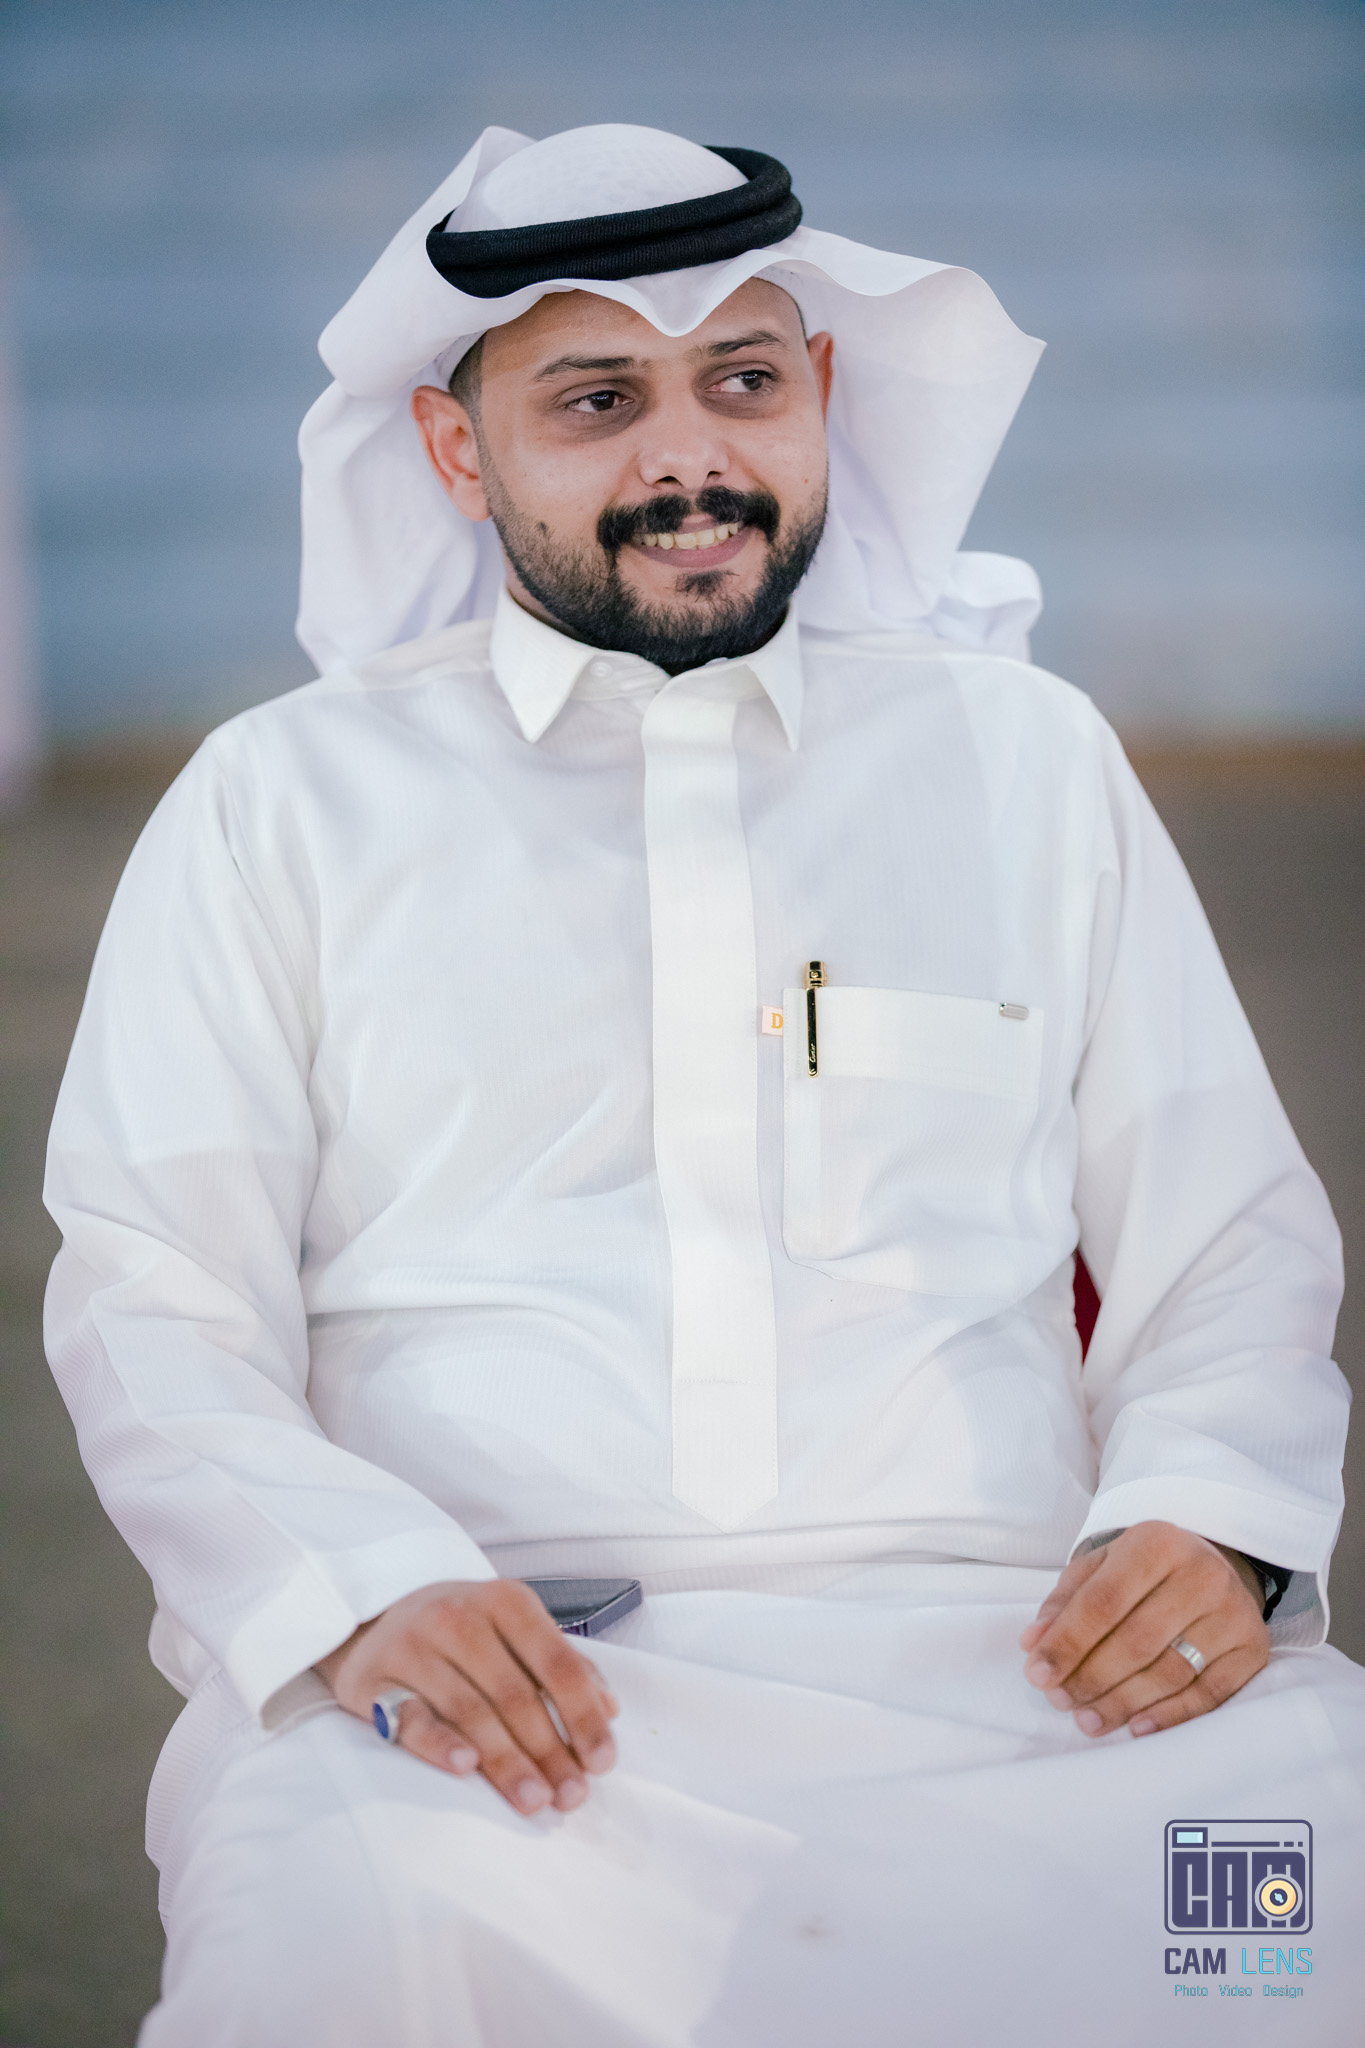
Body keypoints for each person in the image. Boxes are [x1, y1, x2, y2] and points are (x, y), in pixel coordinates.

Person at [44, 123, 1363, 2046]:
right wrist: (356, 1593)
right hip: (489, 1683)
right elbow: (154, 1296)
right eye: (597, 401)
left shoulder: (1022, 762)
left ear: (819, 391)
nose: (690, 460)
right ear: (455, 451)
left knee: (1294, 1914)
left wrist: (1206, 1517)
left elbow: (1224, 1237)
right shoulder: (282, 803)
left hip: (1031, 1675)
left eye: (741, 383)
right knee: (330, 1949)